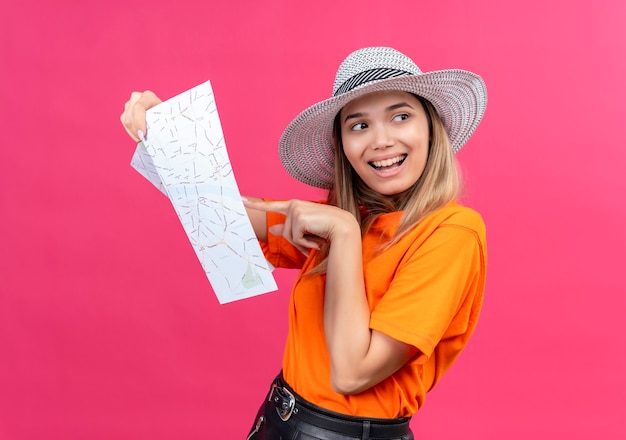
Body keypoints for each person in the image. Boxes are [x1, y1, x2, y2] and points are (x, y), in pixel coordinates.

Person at [121, 46, 488, 440]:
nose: (380, 140)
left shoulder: (452, 232)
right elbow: (223, 217)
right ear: (343, 146)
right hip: (278, 420)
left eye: (400, 116)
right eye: (359, 125)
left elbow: (352, 372)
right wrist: (168, 139)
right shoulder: (353, 216)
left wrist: (343, 232)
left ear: (432, 128)